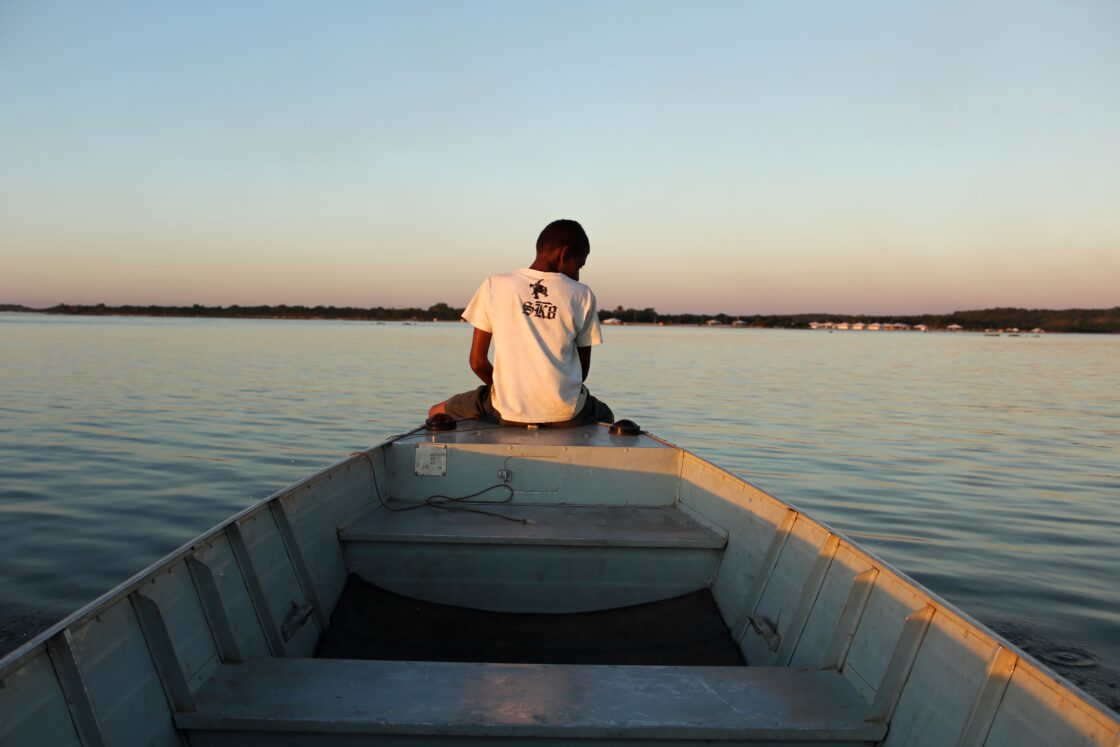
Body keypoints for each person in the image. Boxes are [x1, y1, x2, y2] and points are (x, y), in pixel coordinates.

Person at [429, 219, 614, 427]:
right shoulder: (582, 294)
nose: (578, 275)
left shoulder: (494, 285)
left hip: (505, 411)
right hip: (567, 413)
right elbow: (582, 372)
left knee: (435, 412)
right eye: (579, 265)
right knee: (607, 417)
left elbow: (477, 361)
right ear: (564, 253)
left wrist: (507, 390)